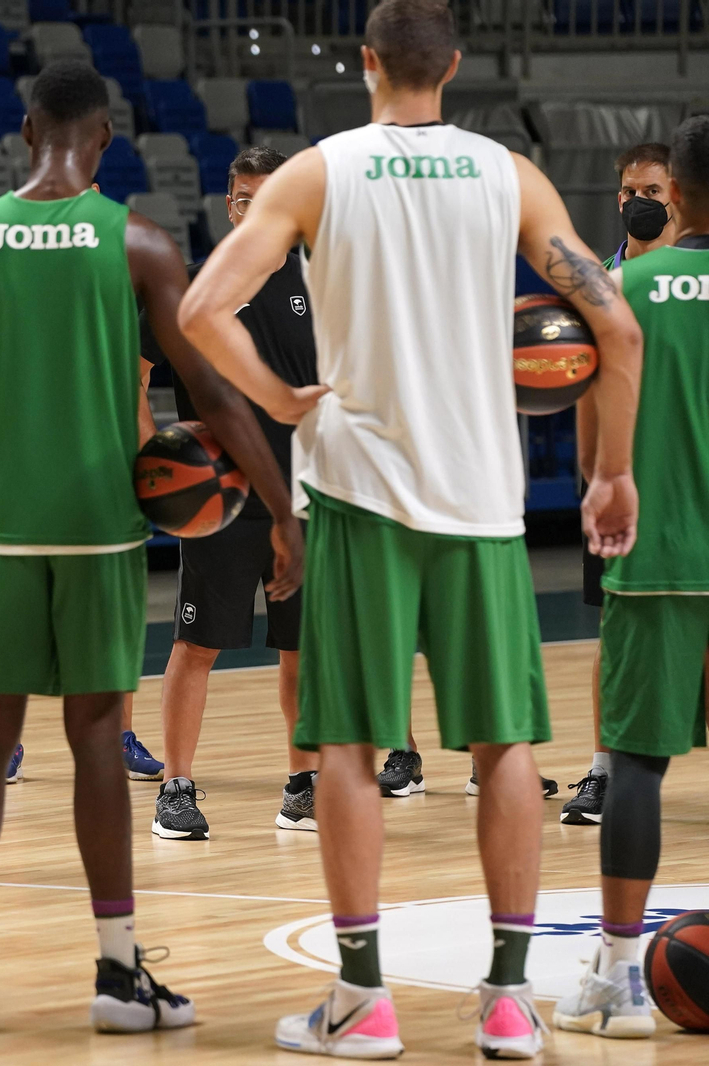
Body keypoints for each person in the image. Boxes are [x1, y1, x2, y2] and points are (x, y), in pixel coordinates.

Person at [179, 1, 644, 1057]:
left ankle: (360, 1000)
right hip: (480, 496)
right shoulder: (507, 175)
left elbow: (205, 309)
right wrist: (608, 471)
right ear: (457, 67)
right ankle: (510, 1000)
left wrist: (282, 399)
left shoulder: (315, 172)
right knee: (505, 749)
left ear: (366, 62)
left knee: (344, 743)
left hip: (357, 492)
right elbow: (614, 328)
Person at [0, 59, 306, 1035]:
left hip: (5, 529)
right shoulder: (135, 242)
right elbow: (211, 396)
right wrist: (279, 508)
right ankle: (118, 971)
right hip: (96, 531)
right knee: (94, 736)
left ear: (25, 129)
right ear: (105, 137)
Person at [554, 115, 709, 1042]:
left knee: (639, 770)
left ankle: (614, 983)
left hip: (655, 562)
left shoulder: (623, 289)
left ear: (673, 195)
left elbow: (584, 439)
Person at [145, 145, 320, 841]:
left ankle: (301, 783)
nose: (257, 211)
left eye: (271, 197)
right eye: (245, 199)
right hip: (218, 495)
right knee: (198, 641)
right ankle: (175, 787)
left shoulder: (321, 281)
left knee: (302, 648)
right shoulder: (197, 284)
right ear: (229, 205)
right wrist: (154, 468)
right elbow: (135, 376)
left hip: (302, 495)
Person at [562, 141, 680, 826]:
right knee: (615, 634)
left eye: (656, 191)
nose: (642, 201)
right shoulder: (597, 285)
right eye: (633, 189)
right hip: (619, 478)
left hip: (685, 477)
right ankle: (603, 771)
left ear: (679, 198)